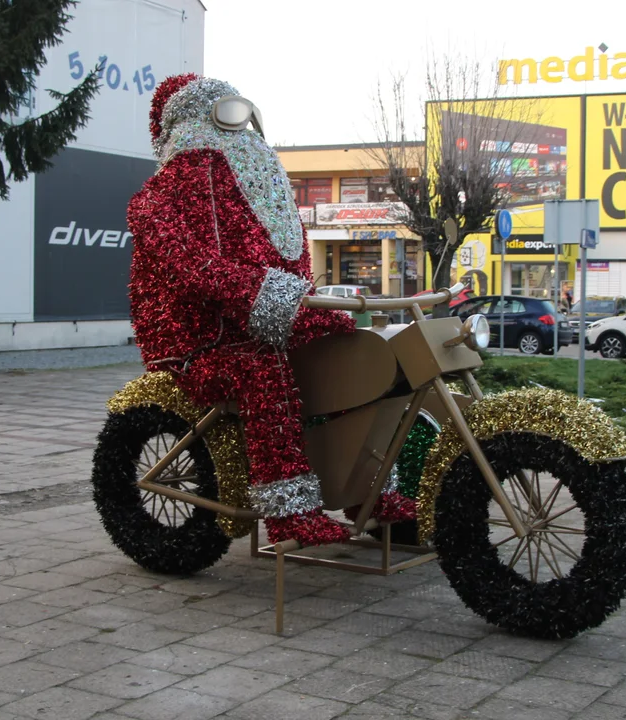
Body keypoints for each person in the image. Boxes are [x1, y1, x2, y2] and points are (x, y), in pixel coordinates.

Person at [127, 74, 413, 547]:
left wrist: (315, 312)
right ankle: (290, 512)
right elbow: (198, 270)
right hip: (196, 344)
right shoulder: (153, 202)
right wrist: (278, 300)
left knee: (351, 354)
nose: (237, 142)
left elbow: (285, 270)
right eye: (219, 126)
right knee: (263, 373)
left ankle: (365, 490)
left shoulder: (250, 193)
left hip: (262, 327)